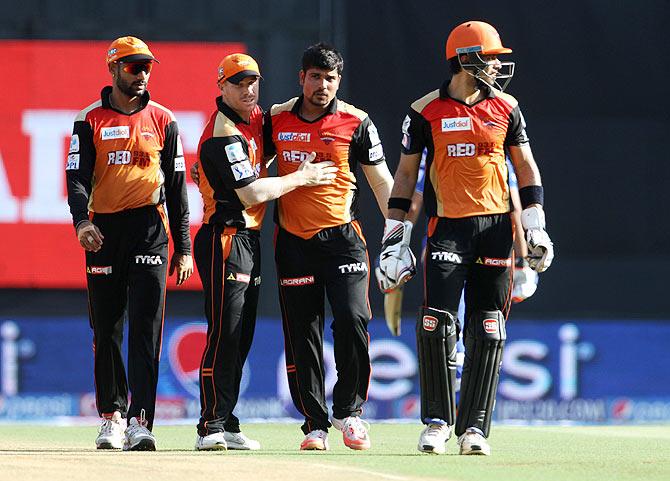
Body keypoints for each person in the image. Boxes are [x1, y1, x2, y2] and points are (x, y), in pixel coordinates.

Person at [376, 21, 554, 456]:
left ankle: (474, 429)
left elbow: (525, 168)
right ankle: (437, 422)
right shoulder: (424, 110)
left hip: (494, 230)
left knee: (488, 328)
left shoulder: (508, 107)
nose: (497, 65)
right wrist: (396, 236)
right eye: (490, 57)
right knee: (436, 324)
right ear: (467, 59)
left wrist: (535, 226)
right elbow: (404, 175)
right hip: (447, 229)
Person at [192, 53, 337, 451]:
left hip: (248, 239)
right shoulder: (224, 131)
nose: (248, 89)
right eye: (238, 82)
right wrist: (302, 177)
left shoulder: (254, 119)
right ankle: (210, 424)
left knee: (242, 336)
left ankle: (228, 418)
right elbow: (251, 192)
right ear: (221, 87)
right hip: (225, 237)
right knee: (225, 333)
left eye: (253, 81)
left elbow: (263, 153)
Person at [263, 43, 394, 451]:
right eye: (315, 77)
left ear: (339, 81)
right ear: (301, 77)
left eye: (331, 78)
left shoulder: (357, 121)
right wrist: (209, 173)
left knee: (354, 321)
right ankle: (315, 423)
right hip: (294, 241)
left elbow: (382, 183)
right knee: (302, 332)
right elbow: (250, 164)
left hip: (342, 240)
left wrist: (399, 236)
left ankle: (350, 413)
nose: (323, 86)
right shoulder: (276, 118)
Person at [66, 36, 193, 451]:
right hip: (103, 229)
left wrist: (185, 247)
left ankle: (141, 421)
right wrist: (82, 221)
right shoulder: (89, 119)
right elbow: (77, 178)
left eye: (147, 68)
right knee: (106, 327)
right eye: (133, 67)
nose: (141, 75)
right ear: (113, 69)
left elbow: (176, 188)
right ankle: (112, 418)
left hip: (148, 228)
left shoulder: (164, 119)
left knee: (145, 328)